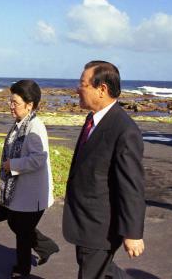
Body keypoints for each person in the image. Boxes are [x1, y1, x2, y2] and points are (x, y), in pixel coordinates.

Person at [62, 61, 146, 279]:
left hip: (101, 226)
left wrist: (133, 232)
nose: (77, 89)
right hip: (84, 220)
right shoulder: (93, 119)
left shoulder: (124, 130)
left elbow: (131, 185)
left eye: (83, 84)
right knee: (105, 271)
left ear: (102, 90)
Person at [0, 79, 59, 278]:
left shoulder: (35, 127)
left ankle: (22, 270)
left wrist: (12, 165)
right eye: (10, 101)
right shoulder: (20, 123)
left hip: (33, 193)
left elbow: (39, 159)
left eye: (15, 102)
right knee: (15, 223)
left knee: (22, 231)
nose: (11, 106)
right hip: (21, 191)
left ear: (29, 104)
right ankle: (46, 246)